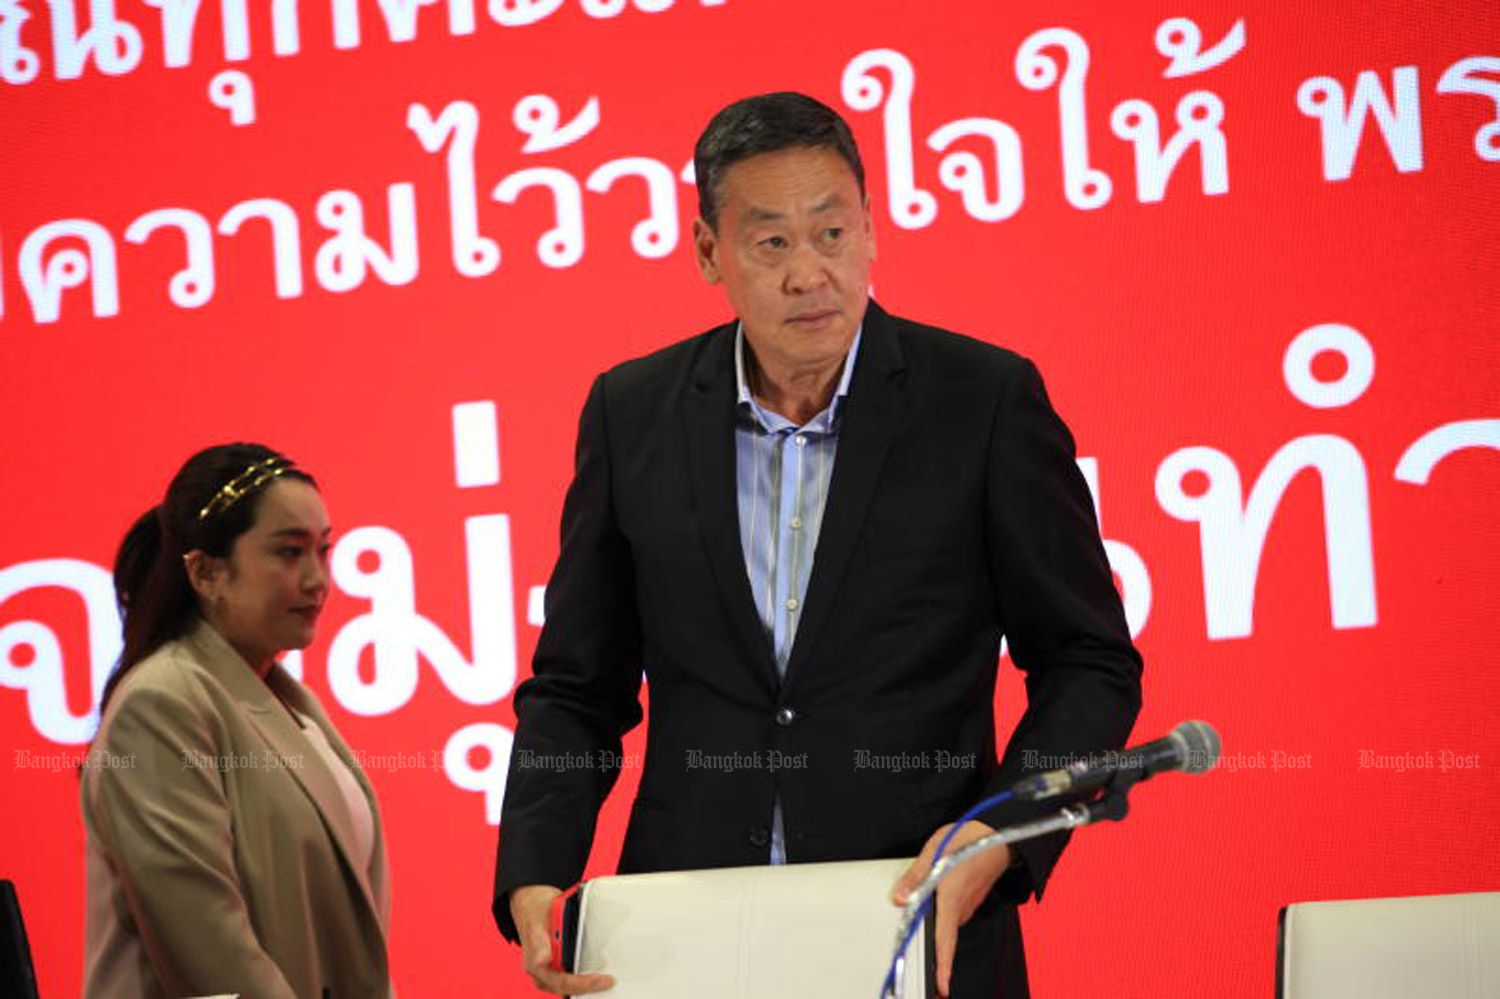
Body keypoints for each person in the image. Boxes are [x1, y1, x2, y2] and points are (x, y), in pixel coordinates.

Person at [493, 92, 1143, 998]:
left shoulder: (982, 400)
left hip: (915, 914)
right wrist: (534, 862)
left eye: (832, 234)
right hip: (692, 929)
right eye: (772, 242)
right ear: (707, 252)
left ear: (872, 231)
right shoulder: (631, 412)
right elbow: (578, 683)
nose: (810, 274)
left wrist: (1001, 834)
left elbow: (1088, 659)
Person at [81, 443, 395, 999]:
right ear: (206, 572)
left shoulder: (290, 702)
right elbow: (209, 950)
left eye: (323, 550)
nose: (318, 579)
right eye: (289, 552)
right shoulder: (161, 703)